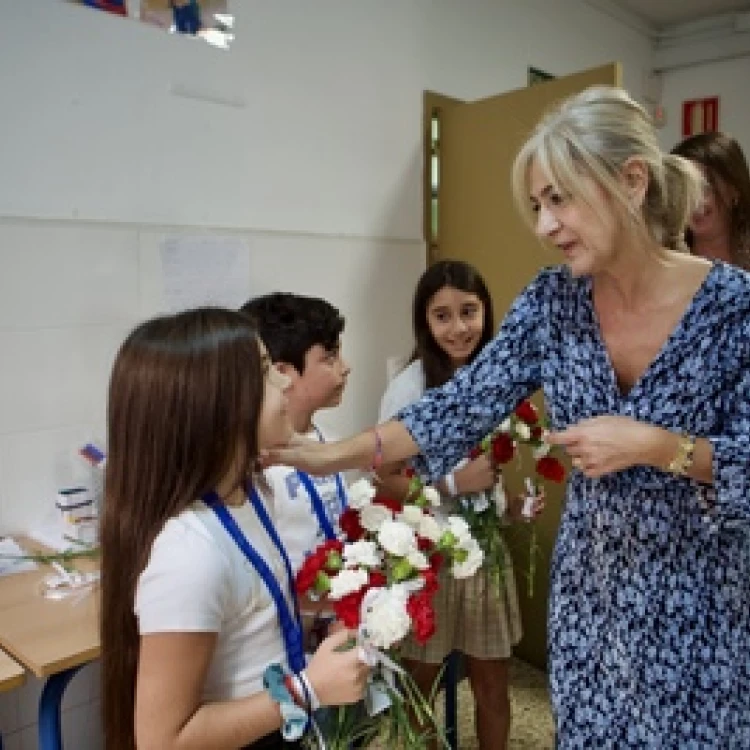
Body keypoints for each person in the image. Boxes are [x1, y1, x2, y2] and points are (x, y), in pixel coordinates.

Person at [265, 86, 750, 747]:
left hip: (703, 604)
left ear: (631, 181)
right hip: (593, 600)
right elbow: (454, 410)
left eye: (560, 198)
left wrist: (657, 445)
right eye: (536, 205)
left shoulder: (734, 308)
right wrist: (323, 454)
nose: (545, 225)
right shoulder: (554, 301)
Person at [100, 308, 369, 750]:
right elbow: (163, 740)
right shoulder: (188, 553)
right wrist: (308, 689)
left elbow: (246, 611)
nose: (285, 382)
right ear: (216, 406)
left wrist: (316, 604)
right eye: (266, 372)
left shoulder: (250, 492)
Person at [377, 260, 523, 749]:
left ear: (486, 312)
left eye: (469, 311)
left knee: (492, 685)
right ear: (425, 321)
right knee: (422, 685)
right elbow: (385, 480)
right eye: (442, 316)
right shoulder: (410, 386)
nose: (459, 328)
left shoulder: (500, 381)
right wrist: (453, 483)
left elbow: (494, 475)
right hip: (429, 555)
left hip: (484, 555)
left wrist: (515, 503)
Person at [240, 293, 351, 575]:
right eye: (330, 358)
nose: (346, 367)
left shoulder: (331, 441)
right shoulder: (256, 463)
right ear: (281, 372)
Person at [671, 131, 750, 270]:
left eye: (705, 187)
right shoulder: (668, 263)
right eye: (685, 189)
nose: (695, 201)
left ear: (734, 189)